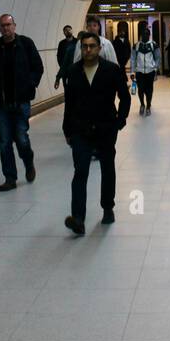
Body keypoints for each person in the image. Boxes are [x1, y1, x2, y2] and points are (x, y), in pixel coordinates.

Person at [62, 31, 130, 235]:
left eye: (92, 46)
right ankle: (78, 218)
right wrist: (67, 128)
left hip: (105, 127)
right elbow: (69, 103)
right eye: (85, 46)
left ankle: (107, 207)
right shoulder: (73, 72)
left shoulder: (112, 70)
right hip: (80, 129)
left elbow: (124, 97)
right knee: (80, 171)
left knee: (107, 168)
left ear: (100, 48)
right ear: (81, 48)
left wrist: (120, 121)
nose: (88, 50)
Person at [0, 13, 44, 191]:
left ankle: (28, 161)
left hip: (21, 101)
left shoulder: (26, 44)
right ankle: (10, 177)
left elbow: (37, 67)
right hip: (1, 103)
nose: (6, 28)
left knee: (21, 137)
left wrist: (30, 84)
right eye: (3, 26)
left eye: (9, 25)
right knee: (4, 141)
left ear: (14, 26)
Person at [54, 16, 117, 88]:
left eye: (94, 25)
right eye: (89, 25)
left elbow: (114, 64)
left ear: (98, 27)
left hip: (104, 81)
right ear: (86, 28)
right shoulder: (79, 44)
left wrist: (116, 83)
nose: (92, 28)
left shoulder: (106, 43)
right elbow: (76, 61)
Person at [131, 22, 159, 115]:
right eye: (143, 34)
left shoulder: (153, 45)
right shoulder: (136, 45)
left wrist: (155, 69)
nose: (145, 35)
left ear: (149, 35)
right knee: (141, 89)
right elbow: (133, 59)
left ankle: (148, 105)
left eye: (147, 34)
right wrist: (132, 71)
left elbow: (158, 58)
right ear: (140, 35)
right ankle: (142, 104)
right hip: (139, 71)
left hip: (150, 71)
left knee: (149, 90)